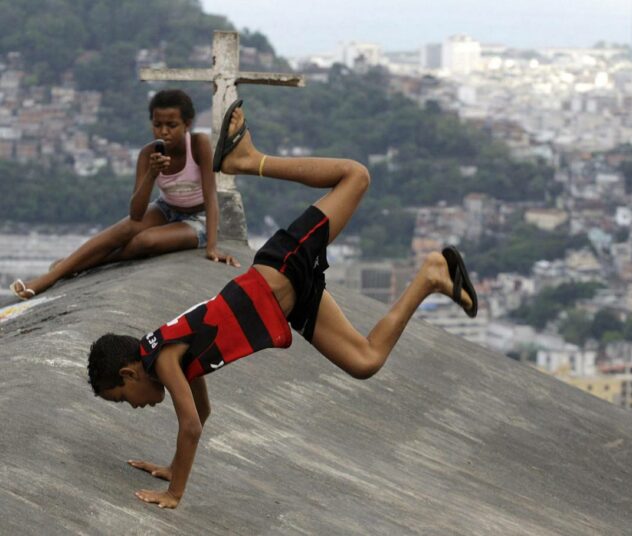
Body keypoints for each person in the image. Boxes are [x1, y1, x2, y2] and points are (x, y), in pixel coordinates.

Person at [87, 100, 478, 509]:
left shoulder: (164, 359)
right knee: (365, 361)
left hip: (280, 270)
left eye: (122, 398)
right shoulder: (170, 360)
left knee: (355, 176)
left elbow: (190, 428)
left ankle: (249, 159)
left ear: (129, 372)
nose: (133, 407)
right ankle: (432, 275)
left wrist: (174, 492)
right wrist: (173, 465)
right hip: (288, 305)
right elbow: (200, 415)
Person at [9, 89, 238, 300]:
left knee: (144, 241)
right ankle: (47, 279)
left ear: (187, 125)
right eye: (158, 125)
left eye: (172, 125)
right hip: (166, 208)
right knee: (123, 230)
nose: (164, 131)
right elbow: (136, 214)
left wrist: (211, 246)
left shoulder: (199, 145)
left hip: (197, 219)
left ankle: (76, 266)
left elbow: (210, 196)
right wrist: (152, 173)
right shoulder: (147, 153)